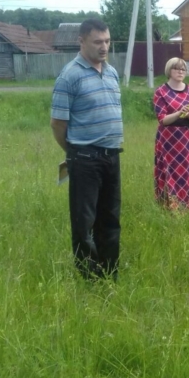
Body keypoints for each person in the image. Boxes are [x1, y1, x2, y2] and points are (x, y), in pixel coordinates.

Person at [51, 19, 123, 280]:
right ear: (81, 41)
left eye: (107, 41)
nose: (104, 47)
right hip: (84, 159)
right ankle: (89, 279)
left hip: (112, 157)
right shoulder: (70, 76)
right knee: (84, 223)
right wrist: (74, 153)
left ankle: (110, 274)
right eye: (97, 42)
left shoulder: (112, 73)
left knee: (111, 220)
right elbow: (58, 123)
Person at [153, 57, 189, 210]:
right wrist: (179, 113)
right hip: (168, 140)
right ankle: (170, 206)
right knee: (169, 170)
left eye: (183, 69)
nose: (180, 71)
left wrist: (187, 115)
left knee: (187, 170)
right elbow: (162, 120)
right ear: (169, 70)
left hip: (186, 139)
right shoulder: (161, 92)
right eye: (176, 68)